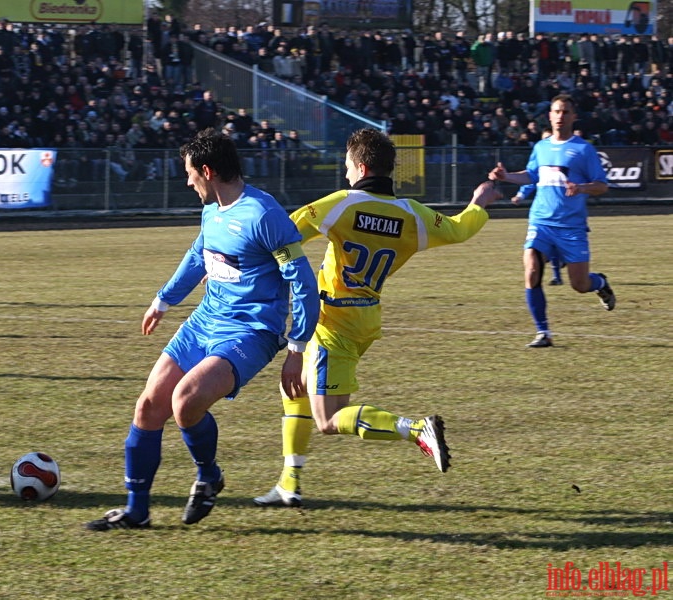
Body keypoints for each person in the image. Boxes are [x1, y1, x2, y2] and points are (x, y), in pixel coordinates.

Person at [253, 129, 502, 508]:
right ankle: (289, 482)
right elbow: (459, 229)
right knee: (296, 392)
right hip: (366, 318)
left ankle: (416, 429)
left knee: (327, 419)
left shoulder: (343, 204)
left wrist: (239, 258)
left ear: (362, 166)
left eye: (348, 166)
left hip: (331, 320)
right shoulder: (412, 215)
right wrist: (478, 204)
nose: (346, 174)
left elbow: (287, 232)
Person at [85, 128, 320, 531]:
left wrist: (296, 349)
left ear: (208, 171)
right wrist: (163, 300)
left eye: (190, 173)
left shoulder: (264, 215)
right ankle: (136, 511)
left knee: (185, 401)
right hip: (204, 322)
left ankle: (208, 474)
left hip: (250, 332)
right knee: (148, 406)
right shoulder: (212, 209)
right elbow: (199, 255)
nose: (187, 180)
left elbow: (303, 282)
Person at [489, 94, 614, 348]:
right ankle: (543, 332)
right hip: (541, 222)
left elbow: (602, 186)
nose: (560, 116)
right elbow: (532, 176)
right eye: (556, 111)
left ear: (574, 116)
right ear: (549, 115)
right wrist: (506, 176)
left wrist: (581, 188)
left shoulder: (583, 149)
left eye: (566, 112)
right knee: (532, 270)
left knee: (579, 285)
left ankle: (600, 283)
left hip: (571, 227)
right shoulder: (541, 147)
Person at [511, 183, 563, 286]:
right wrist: (520, 195)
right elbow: (532, 178)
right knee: (541, 249)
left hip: (566, 215)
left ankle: (559, 264)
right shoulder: (543, 168)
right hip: (543, 216)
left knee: (580, 282)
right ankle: (557, 276)